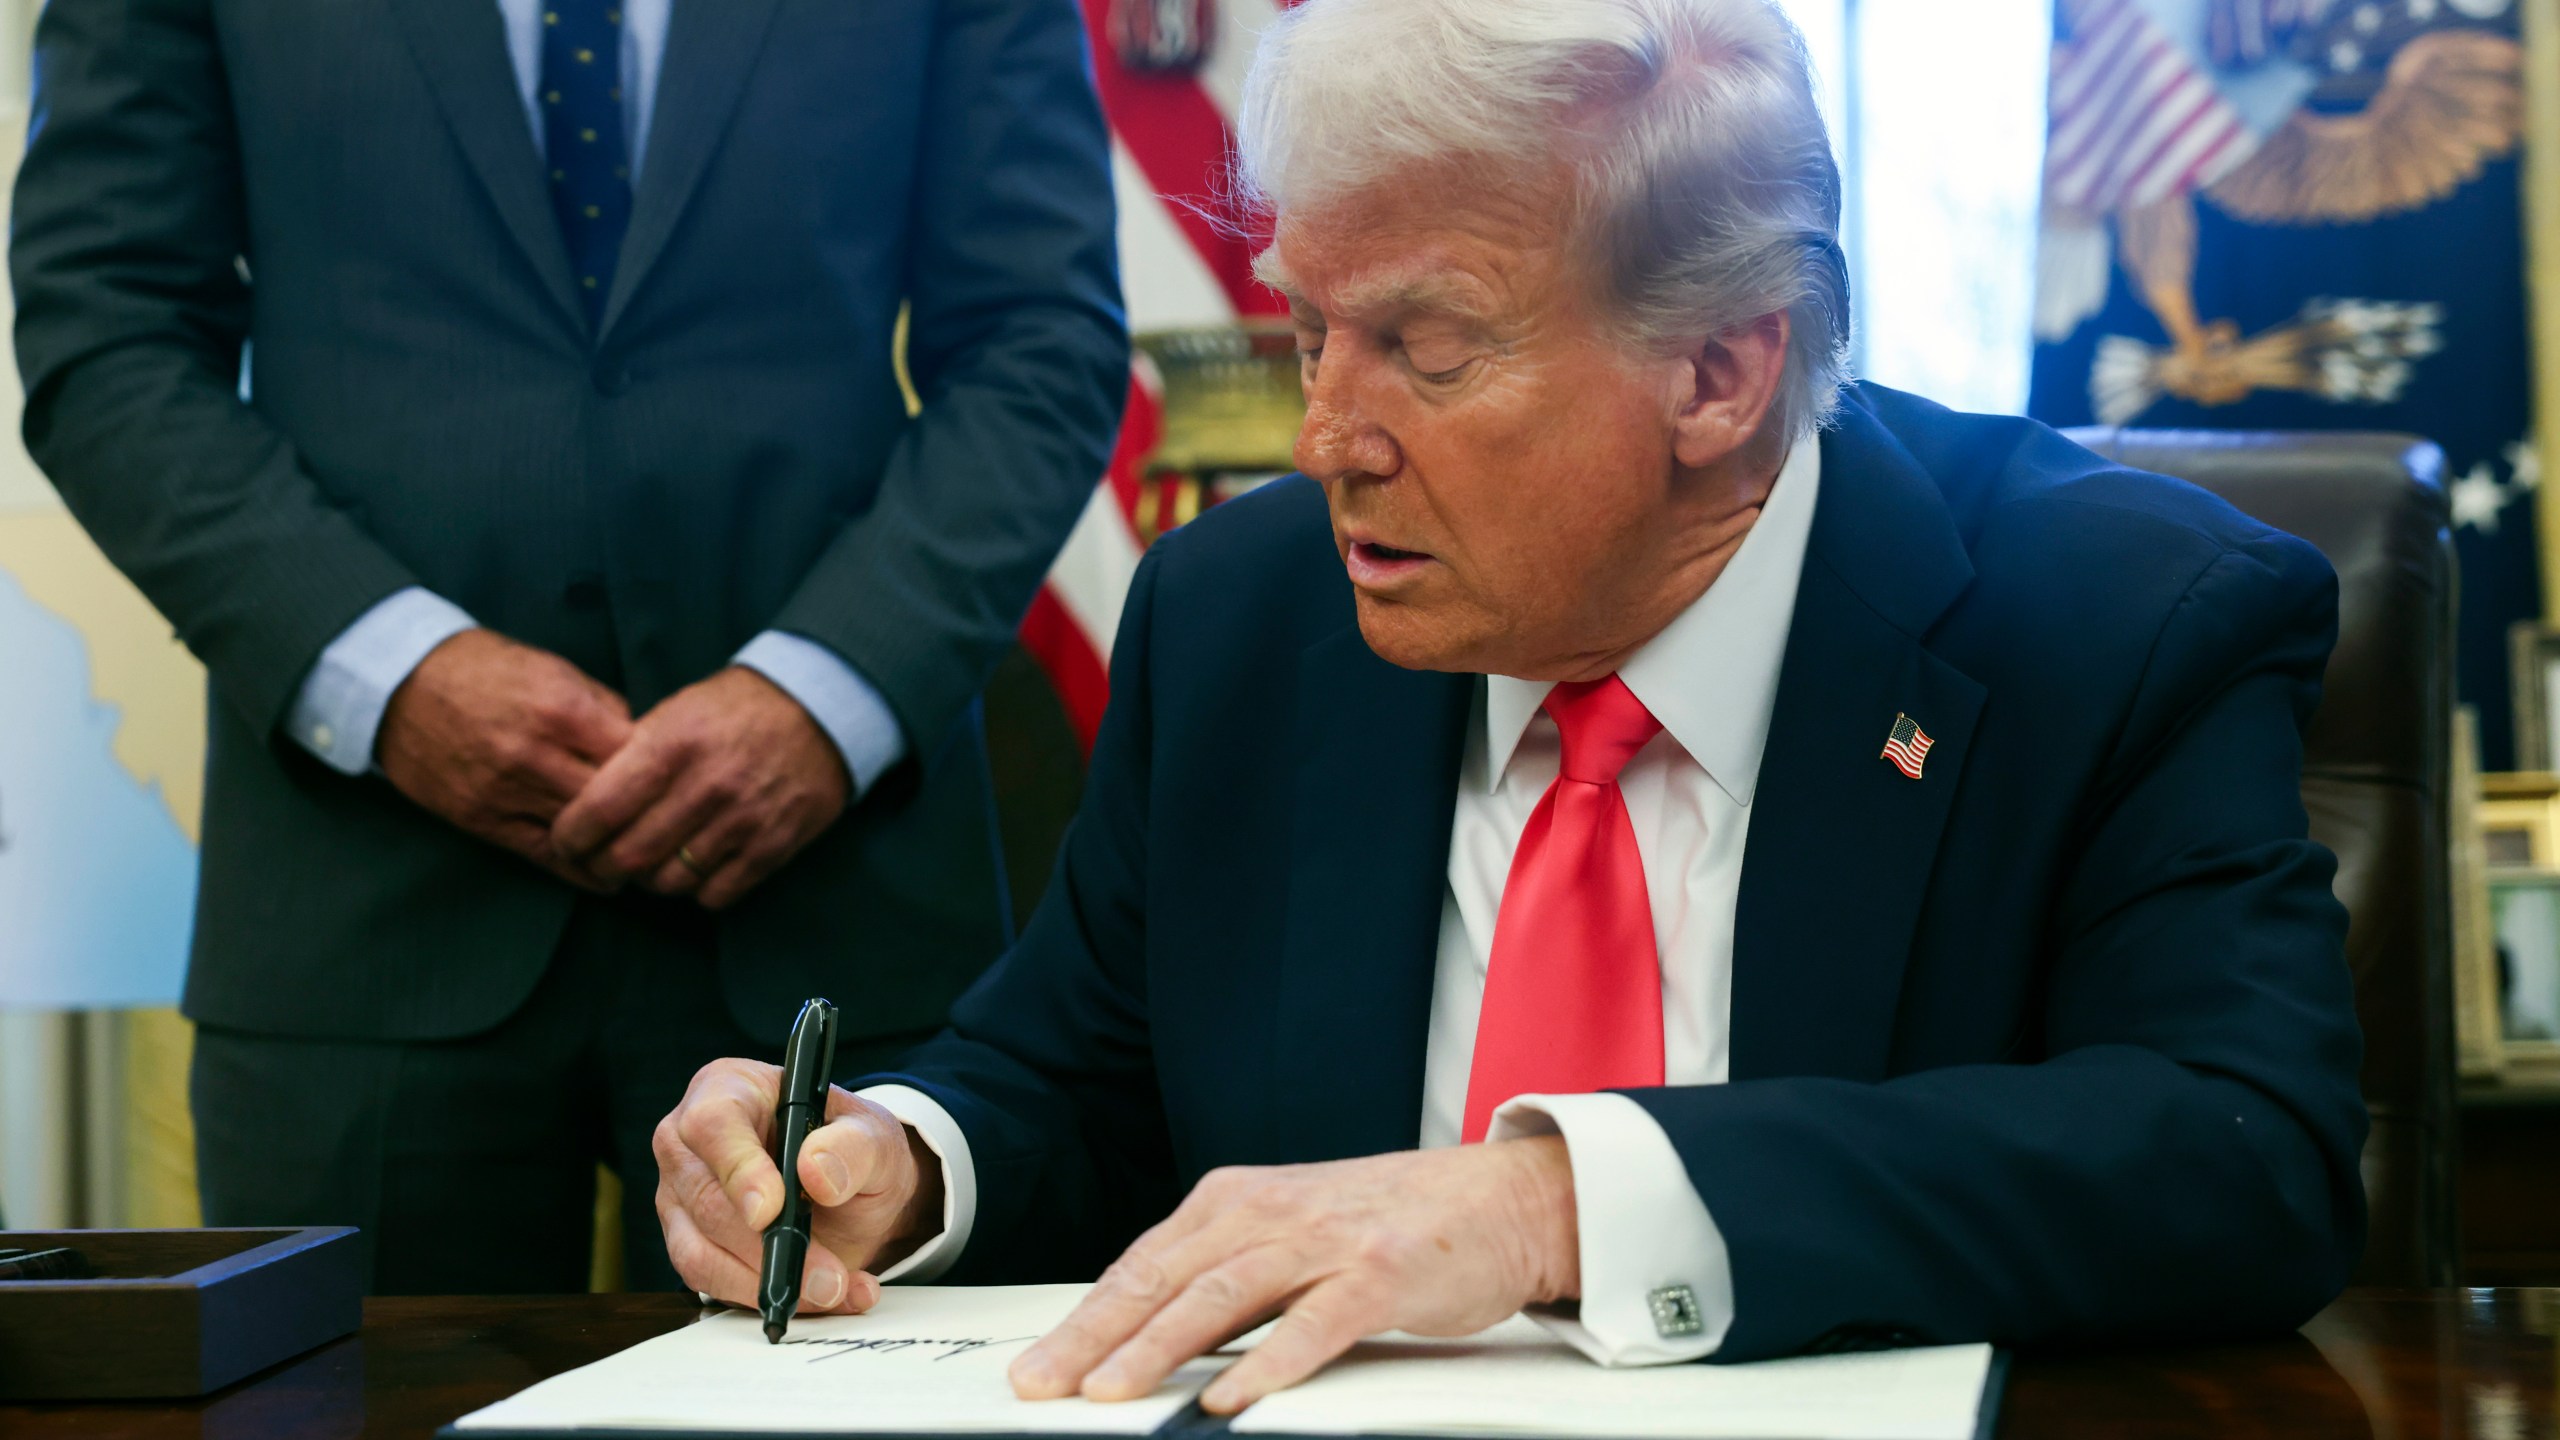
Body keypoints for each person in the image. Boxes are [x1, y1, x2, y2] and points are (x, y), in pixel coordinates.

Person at [652, 0, 2367, 1408]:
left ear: (1720, 370)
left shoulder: (2118, 626)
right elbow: (1086, 1076)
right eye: (1312, 331)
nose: (1327, 436)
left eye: (1429, 349)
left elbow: (2239, 1160)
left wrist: (1552, 1201)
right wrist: (894, 1162)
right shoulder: (1251, 616)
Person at [10, 0, 1124, 1292]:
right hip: (363, 915)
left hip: (835, 911)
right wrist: (387, 674)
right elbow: (105, 330)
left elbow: (1041, 338)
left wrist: (828, 695)